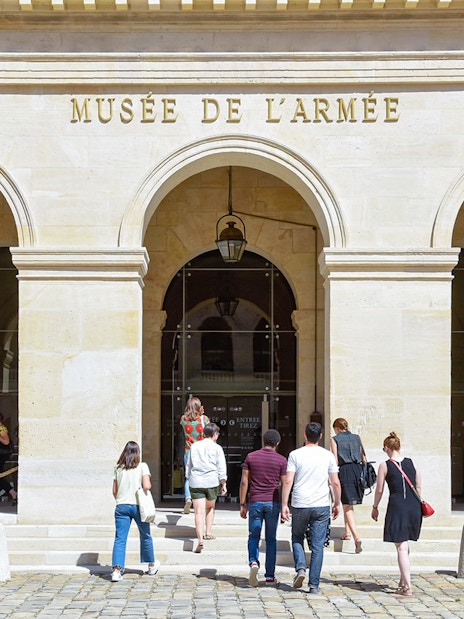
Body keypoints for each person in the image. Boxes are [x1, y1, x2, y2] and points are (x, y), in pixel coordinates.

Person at [281, 422, 341, 595]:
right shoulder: (328, 455)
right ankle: (313, 584)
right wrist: (337, 502)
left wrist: (284, 504)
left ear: (305, 435)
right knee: (318, 546)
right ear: (320, 436)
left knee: (297, 537)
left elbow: (288, 480)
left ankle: (300, 567)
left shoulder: (295, 454)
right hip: (321, 503)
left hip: (300, 502)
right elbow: (335, 482)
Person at [371, 431, 422, 597]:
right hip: (414, 506)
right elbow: (418, 486)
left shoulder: (385, 465)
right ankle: (402, 580)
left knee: (401, 546)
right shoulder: (412, 462)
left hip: (397, 505)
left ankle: (407, 586)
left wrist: (375, 506)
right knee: (405, 545)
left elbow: (379, 489)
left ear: (387, 447)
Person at [239, 429, 287, 587]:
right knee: (271, 540)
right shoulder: (281, 460)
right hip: (272, 503)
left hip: (255, 501)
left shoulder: (251, 457)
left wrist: (242, 503)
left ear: (263, 440)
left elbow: (245, 481)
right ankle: (270, 576)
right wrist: (285, 505)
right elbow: (285, 484)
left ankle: (253, 562)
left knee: (253, 536)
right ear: (278, 443)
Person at [111, 441, 160, 582]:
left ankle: (116, 570)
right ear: (137, 452)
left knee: (120, 538)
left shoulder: (118, 468)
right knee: (145, 535)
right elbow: (147, 485)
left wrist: (121, 498)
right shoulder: (142, 466)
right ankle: (151, 565)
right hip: (138, 505)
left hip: (121, 506)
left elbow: (114, 490)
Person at [185, 422, 227, 553]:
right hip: (211, 481)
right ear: (214, 434)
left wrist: (188, 476)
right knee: (210, 507)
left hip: (196, 481)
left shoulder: (194, 446)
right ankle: (208, 532)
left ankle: (200, 540)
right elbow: (221, 466)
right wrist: (223, 482)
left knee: (198, 512)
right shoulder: (217, 448)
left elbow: (189, 464)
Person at [330, 417, 366, 553]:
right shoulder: (357, 437)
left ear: (337, 428)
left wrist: (332, 476)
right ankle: (347, 532)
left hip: (344, 471)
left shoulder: (335, 439)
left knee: (347, 505)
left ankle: (356, 537)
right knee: (348, 504)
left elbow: (335, 458)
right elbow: (363, 457)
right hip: (358, 470)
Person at [180, 396, 209, 514]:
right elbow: (209, 430)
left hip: (188, 451)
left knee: (188, 476)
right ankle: (202, 500)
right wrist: (202, 415)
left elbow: (184, 420)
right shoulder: (204, 419)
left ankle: (188, 497)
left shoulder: (183, 419)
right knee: (202, 475)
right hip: (201, 452)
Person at [0, 412, 17, 504]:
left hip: (1, 455)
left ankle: (13, 493)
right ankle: (13, 494)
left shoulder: (2, 428)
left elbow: (6, 442)